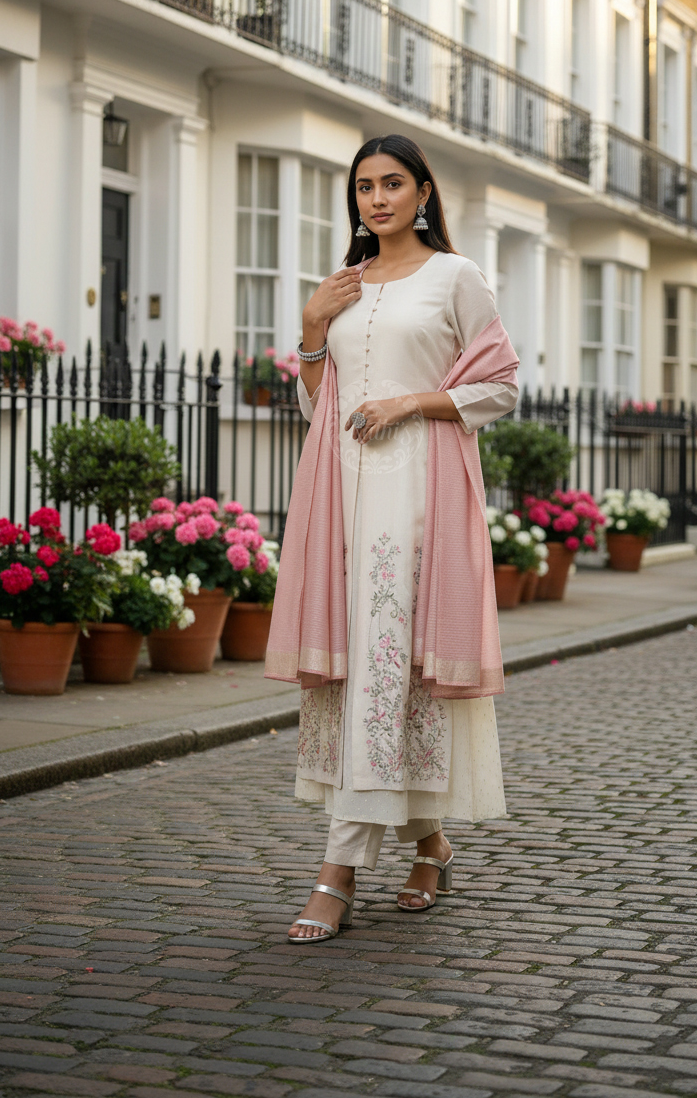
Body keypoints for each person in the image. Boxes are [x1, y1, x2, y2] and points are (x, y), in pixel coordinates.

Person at [264, 134, 519, 942]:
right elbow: (320, 405)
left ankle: (336, 875)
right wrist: (312, 328)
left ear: (424, 192)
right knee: (371, 681)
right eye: (364, 186)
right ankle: (432, 846)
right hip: (341, 495)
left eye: (392, 184)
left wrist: (413, 403)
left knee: (388, 669)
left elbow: (501, 384)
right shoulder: (348, 285)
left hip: (418, 499)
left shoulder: (456, 277)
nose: (376, 199)